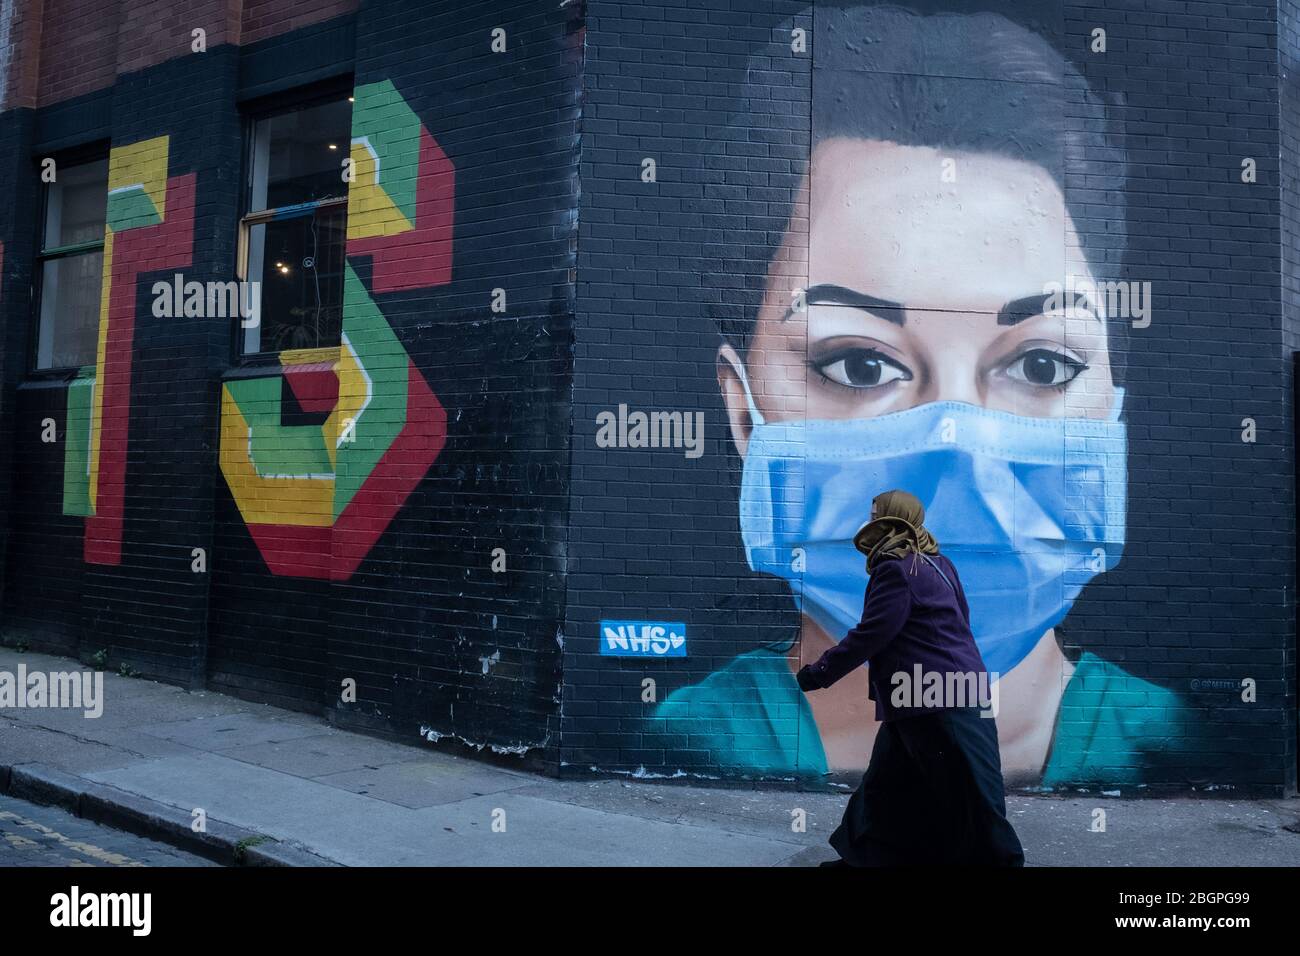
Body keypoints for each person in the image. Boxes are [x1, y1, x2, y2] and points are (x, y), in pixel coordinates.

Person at [649, 1, 1194, 789]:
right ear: (744, 412)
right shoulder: (685, 745)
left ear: (1111, 407)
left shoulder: (1178, 746)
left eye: (1041, 365)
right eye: (859, 365)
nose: (955, 447)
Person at [797, 489, 1024, 867]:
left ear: (893, 518)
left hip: (939, 698)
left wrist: (820, 673)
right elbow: (961, 623)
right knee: (885, 788)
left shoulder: (896, 570)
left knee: (973, 792)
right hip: (932, 695)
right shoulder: (938, 564)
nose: (868, 523)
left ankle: (1002, 863)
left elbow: (872, 633)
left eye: (875, 515)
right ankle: (867, 859)